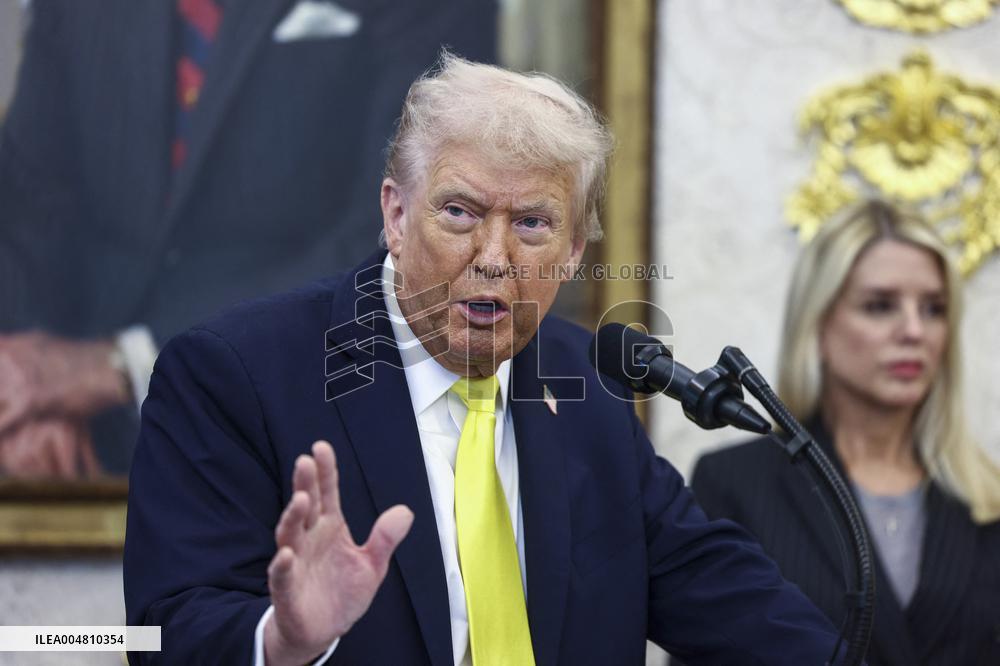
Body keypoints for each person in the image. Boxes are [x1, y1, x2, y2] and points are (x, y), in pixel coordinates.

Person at [124, 54, 850, 665]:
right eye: (460, 213)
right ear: (397, 215)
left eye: (532, 224)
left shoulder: (583, 381)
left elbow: (712, 585)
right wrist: (281, 641)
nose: (495, 259)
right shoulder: (235, 376)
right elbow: (160, 631)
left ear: (570, 255)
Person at [0, 0, 497, 478]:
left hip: (308, 431)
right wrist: (27, 395)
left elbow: (413, 233)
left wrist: (124, 364)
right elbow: (30, 200)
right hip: (72, 448)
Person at [691, 201, 1000, 665]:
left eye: (934, 309)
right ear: (818, 323)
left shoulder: (987, 496)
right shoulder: (735, 483)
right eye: (880, 306)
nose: (915, 330)